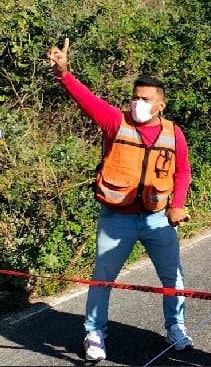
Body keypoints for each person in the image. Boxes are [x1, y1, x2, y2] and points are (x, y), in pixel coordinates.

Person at [47, 39, 192, 362]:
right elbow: (85, 100)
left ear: (160, 106)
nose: (138, 103)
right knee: (102, 279)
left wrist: (177, 203)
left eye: (145, 99)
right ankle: (94, 333)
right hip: (117, 218)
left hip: (157, 217)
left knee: (173, 278)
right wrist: (64, 74)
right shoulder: (116, 121)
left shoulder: (173, 133)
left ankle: (176, 326)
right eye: (135, 97)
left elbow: (183, 172)